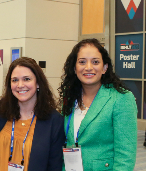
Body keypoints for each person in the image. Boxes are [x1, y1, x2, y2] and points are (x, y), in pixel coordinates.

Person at [58, 38, 137, 170]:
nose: (88, 67)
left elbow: (125, 156)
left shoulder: (121, 98)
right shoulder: (70, 96)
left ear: (105, 68)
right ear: (74, 68)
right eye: (82, 62)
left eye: (95, 62)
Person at [0, 57, 64, 171]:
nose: (20, 85)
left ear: (38, 83)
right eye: (14, 80)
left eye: (26, 79)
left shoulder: (54, 121)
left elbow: (55, 166)